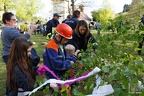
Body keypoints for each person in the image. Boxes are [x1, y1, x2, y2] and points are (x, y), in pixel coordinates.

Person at [1, 12, 38, 96]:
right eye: (13, 20)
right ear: (7, 21)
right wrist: (32, 29)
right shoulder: (9, 30)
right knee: (14, 74)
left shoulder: (6, 29)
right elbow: (23, 38)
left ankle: (11, 91)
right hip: (10, 54)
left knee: (11, 74)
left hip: (8, 54)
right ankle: (12, 91)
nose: (15, 21)